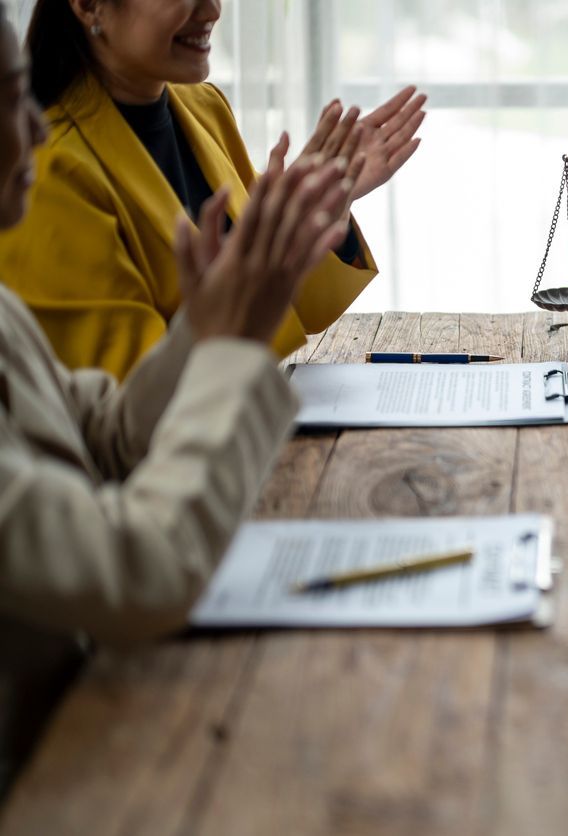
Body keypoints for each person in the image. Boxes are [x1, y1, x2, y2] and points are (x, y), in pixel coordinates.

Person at [0, 0, 354, 791]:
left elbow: (107, 427)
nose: (30, 128)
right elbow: (139, 569)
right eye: (5, 103)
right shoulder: (62, 161)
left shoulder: (200, 106)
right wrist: (231, 336)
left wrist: (225, 308)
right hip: (50, 755)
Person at [0, 0, 426, 378]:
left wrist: (322, 207)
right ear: (90, 6)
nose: (212, 10)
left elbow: (299, 311)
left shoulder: (203, 108)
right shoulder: (47, 174)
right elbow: (127, 401)